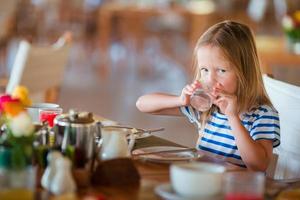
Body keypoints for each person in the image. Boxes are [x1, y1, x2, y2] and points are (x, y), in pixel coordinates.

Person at [136, 20, 280, 171]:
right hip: (204, 183)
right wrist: (179, 100)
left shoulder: (262, 114)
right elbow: (142, 104)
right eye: (204, 70)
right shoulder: (206, 108)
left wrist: (233, 117)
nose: (210, 79)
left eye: (221, 70)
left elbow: (258, 166)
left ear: (245, 72)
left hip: (237, 190)